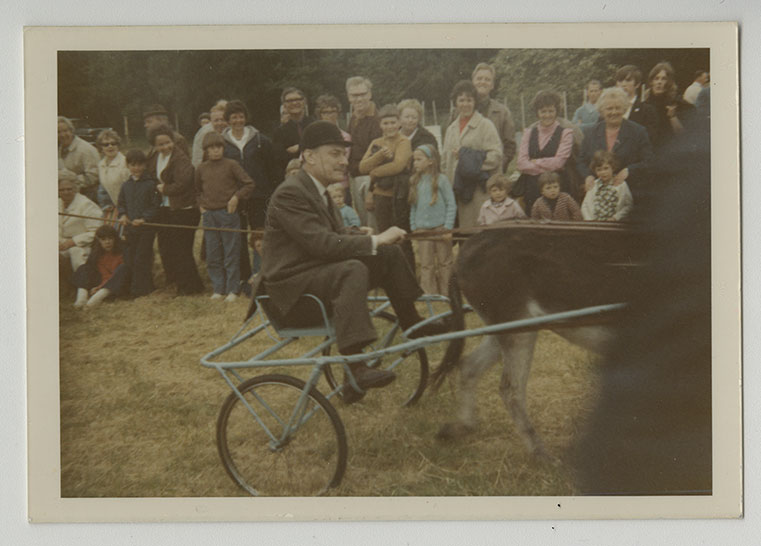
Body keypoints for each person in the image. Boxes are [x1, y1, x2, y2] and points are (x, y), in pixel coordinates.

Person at [252, 121, 448, 402]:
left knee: (388, 254)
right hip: (290, 293)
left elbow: (329, 235)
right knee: (353, 268)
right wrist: (375, 239)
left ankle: (413, 323)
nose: (344, 162)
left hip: (313, 274)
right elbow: (321, 244)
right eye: (335, 154)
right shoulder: (290, 192)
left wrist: (360, 235)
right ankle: (355, 366)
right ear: (308, 156)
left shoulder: (316, 189)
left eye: (344, 155)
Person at [221, 99, 276, 295]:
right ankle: (243, 278)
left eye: (241, 116)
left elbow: (272, 167)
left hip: (259, 195)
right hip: (234, 197)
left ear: (246, 118)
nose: (238, 120)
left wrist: (271, 191)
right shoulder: (221, 142)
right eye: (233, 117)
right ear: (228, 120)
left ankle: (261, 276)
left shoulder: (260, 140)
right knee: (237, 237)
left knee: (260, 236)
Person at [196, 131, 255, 302]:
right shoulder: (201, 168)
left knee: (231, 252)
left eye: (218, 147)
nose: (215, 151)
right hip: (209, 215)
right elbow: (197, 190)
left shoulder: (231, 165)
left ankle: (232, 288)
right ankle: (218, 288)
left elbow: (249, 184)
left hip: (227, 214)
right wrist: (201, 206)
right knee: (213, 253)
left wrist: (236, 198)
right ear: (205, 150)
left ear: (223, 148)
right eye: (211, 148)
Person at [148, 124, 204, 295]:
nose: (165, 147)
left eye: (168, 142)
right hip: (165, 208)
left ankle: (191, 287)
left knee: (182, 249)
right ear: (155, 146)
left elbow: (183, 183)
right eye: (161, 144)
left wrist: (164, 189)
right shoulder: (154, 157)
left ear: (173, 140)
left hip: (184, 208)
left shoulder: (181, 159)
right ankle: (175, 282)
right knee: (167, 247)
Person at [442, 80, 503, 229]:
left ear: (475, 102)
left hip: (478, 192)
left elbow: (496, 156)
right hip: (456, 191)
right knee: (462, 237)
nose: (465, 104)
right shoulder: (451, 129)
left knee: (478, 234)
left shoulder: (485, 125)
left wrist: (468, 160)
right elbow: (444, 162)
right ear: (455, 103)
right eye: (461, 100)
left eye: (469, 100)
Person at [359, 104, 414, 269]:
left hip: (398, 197)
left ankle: (408, 274)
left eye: (392, 122)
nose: (389, 126)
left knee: (402, 237)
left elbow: (398, 165)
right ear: (380, 125)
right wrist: (378, 157)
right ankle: (391, 274)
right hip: (380, 196)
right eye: (385, 123)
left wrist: (375, 173)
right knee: (385, 236)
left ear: (399, 124)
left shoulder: (403, 141)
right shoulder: (376, 142)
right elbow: (362, 167)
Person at [576, 87, 654, 202]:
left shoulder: (638, 132)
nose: (614, 112)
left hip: (628, 194)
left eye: (618, 108)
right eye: (609, 108)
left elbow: (649, 161)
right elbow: (581, 161)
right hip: (596, 195)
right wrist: (588, 176)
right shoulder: (591, 133)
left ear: (624, 109)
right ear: (602, 111)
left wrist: (628, 171)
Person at [514, 90, 575, 212]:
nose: (547, 115)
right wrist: (548, 164)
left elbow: (559, 163)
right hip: (532, 188)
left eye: (551, 111)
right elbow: (521, 163)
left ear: (556, 111)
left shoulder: (566, 133)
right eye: (543, 111)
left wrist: (535, 162)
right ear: (537, 112)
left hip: (556, 188)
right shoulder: (528, 133)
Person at [448, 63, 516, 170]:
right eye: (479, 78)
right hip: (462, 174)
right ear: (473, 82)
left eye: (487, 79)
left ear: (492, 85)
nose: (483, 82)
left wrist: (498, 166)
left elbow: (510, 146)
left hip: (491, 174)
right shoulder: (457, 112)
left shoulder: (502, 112)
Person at [408, 144, 456, 295]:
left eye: (419, 159)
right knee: (426, 263)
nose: (415, 163)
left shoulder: (441, 180)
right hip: (423, 230)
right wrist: (414, 226)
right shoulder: (414, 181)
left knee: (445, 262)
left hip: (440, 228)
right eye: (414, 160)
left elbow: (451, 204)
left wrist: (447, 227)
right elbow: (413, 206)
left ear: (430, 161)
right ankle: (429, 293)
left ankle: (447, 292)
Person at [117, 149, 160, 298]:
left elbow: (155, 205)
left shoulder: (151, 184)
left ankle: (142, 289)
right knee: (130, 258)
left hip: (146, 229)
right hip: (130, 229)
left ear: (145, 165)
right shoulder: (125, 185)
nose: (136, 168)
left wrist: (144, 218)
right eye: (133, 165)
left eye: (140, 165)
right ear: (128, 165)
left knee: (142, 258)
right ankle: (131, 287)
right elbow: (121, 203)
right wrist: (122, 215)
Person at [346, 76, 382, 229]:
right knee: (364, 225)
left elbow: (379, 159)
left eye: (362, 94)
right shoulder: (354, 117)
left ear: (370, 94)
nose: (359, 98)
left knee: (373, 229)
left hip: (371, 180)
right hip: (356, 178)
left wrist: (372, 191)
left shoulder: (377, 120)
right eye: (354, 95)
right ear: (348, 97)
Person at [72, 225, 129, 308]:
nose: (107, 242)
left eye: (110, 238)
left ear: (115, 239)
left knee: (124, 268)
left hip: (113, 287)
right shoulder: (97, 254)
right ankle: (81, 298)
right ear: (99, 241)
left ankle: (94, 301)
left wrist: (100, 288)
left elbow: (115, 275)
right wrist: (97, 287)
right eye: (103, 239)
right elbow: (100, 274)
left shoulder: (121, 252)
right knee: (84, 268)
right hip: (100, 284)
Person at [644, 61, 695, 150]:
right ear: (651, 82)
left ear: (669, 82)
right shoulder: (645, 104)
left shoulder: (678, 103)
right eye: (656, 78)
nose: (659, 82)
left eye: (663, 79)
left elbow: (685, 136)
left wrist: (673, 117)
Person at [58, 177, 103, 272]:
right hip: (61, 244)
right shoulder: (57, 203)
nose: (66, 192)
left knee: (76, 252)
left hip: (83, 245)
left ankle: (82, 284)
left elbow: (97, 232)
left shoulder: (87, 205)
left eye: (69, 189)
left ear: (75, 189)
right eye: (62, 190)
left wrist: (73, 241)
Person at [314, 94, 352, 202]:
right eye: (325, 112)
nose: (329, 115)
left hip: (340, 188)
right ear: (320, 114)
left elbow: (340, 163)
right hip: (318, 187)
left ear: (338, 113)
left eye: (333, 111)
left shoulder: (345, 137)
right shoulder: (313, 135)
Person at [272, 87, 315, 181]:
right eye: (290, 100)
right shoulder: (279, 132)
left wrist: (299, 148)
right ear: (284, 105)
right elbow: (280, 159)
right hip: (293, 179)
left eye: (297, 99)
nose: (294, 103)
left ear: (304, 102)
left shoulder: (315, 125)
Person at [581, 150, 634, 222]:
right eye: (599, 170)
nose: (603, 172)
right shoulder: (594, 185)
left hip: (615, 224)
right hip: (595, 225)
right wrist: (590, 221)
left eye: (606, 168)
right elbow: (585, 206)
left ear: (613, 167)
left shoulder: (621, 184)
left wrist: (616, 218)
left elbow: (628, 206)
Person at [58, 116, 100, 202]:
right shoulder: (59, 148)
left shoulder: (86, 149)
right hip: (67, 195)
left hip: (88, 196)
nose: (62, 135)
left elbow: (94, 176)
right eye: (58, 132)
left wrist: (73, 179)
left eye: (65, 131)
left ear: (72, 131)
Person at [614, 65, 658, 144]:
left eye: (628, 80)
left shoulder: (647, 110)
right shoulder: (607, 109)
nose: (623, 84)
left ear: (637, 84)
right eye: (620, 81)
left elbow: (650, 138)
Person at [95, 129, 130, 215]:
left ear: (118, 145)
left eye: (113, 143)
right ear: (101, 148)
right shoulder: (101, 165)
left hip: (129, 207)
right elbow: (103, 189)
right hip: (116, 208)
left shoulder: (125, 163)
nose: (110, 146)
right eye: (106, 144)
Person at [191, 100, 228, 167]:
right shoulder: (204, 132)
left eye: (222, 120)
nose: (220, 123)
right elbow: (197, 156)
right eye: (216, 120)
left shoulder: (231, 129)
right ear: (211, 121)